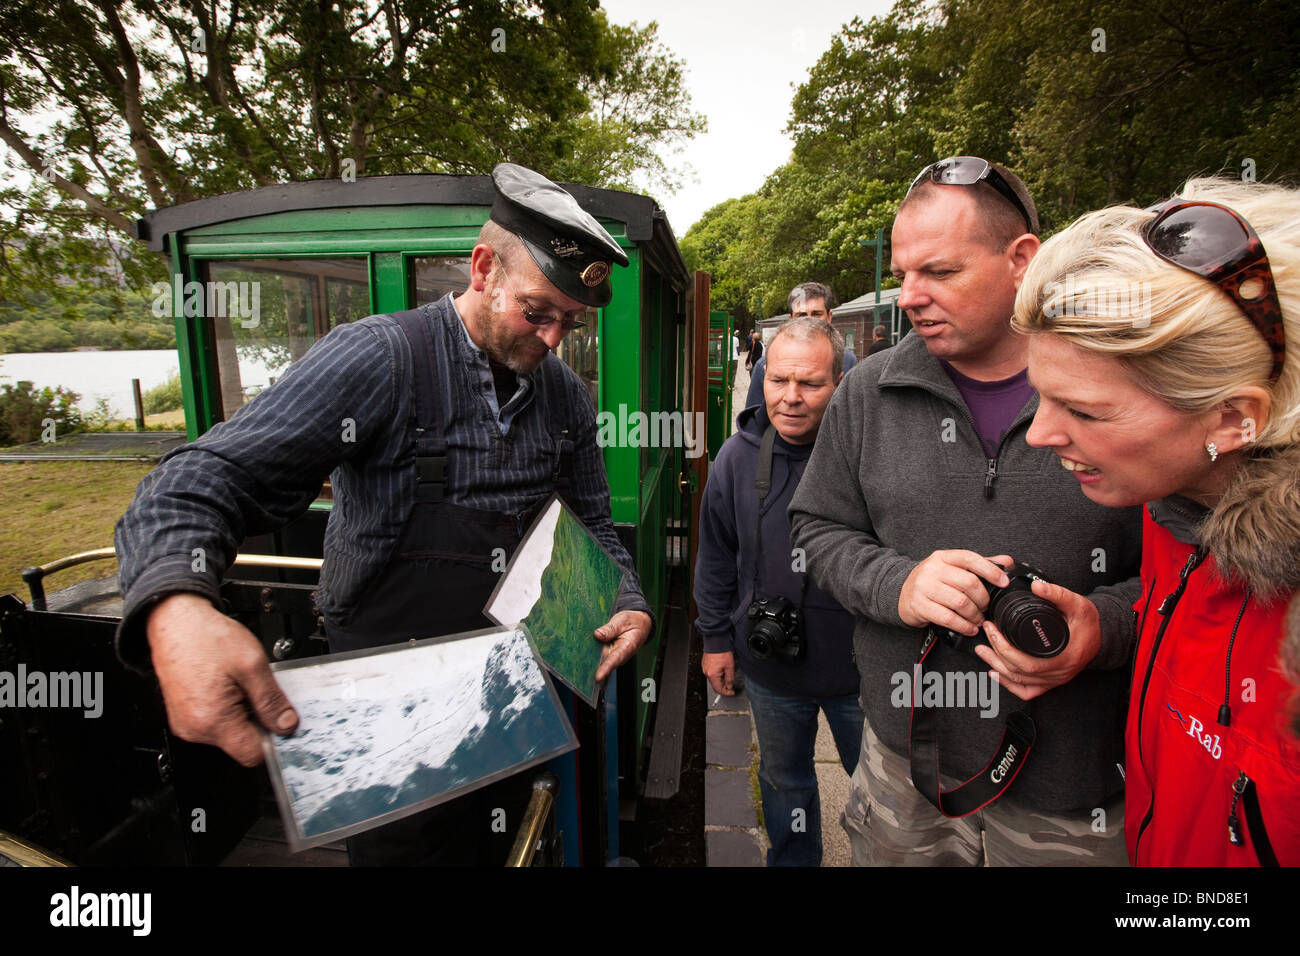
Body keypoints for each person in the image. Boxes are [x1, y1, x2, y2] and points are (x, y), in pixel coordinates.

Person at [114, 163, 654, 864]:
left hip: (504, 695)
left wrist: (631, 598)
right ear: (484, 268)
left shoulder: (565, 401)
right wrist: (176, 608)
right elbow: (202, 475)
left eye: (570, 324)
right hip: (385, 712)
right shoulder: (380, 359)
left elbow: (594, 524)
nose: (554, 341)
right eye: (538, 313)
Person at [789, 156, 1142, 866]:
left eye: (940, 273)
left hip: (1072, 792)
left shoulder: (1121, 386)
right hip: (905, 769)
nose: (909, 297)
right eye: (903, 271)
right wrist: (899, 584)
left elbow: (1194, 575)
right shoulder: (869, 393)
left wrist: (1099, 632)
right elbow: (816, 530)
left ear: (1022, 260)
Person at [1011, 176, 1300, 865]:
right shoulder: (1179, 501)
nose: (1038, 434)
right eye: (1040, 397)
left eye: (1084, 411)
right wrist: (1112, 624)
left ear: (1234, 419)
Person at [695, 316, 861, 866]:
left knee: (883, 799)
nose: (790, 398)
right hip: (772, 669)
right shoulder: (735, 458)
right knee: (784, 783)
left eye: (810, 384)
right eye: (777, 381)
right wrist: (716, 638)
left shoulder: (866, 453)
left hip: (862, 673)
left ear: (840, 381)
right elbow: (716, 557)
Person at [744, 283, 857, 409]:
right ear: (790, 319)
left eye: (816, 314)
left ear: (829, 317)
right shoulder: (766, 364)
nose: (809, 321)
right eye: (801, 315)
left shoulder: (847, 360)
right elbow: (753, 423)